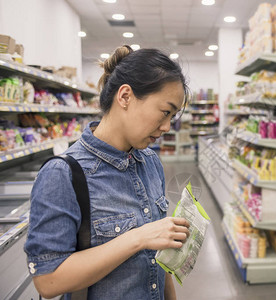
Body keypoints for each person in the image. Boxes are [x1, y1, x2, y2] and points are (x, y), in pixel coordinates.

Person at [24, 45, 191, 300]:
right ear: (125, 96)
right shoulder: (63, 174)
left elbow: (159, 255)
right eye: (165, 112)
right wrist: (138, 238)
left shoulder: (150, 162)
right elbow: (48, 280)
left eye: (173, 116)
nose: (167, 126)